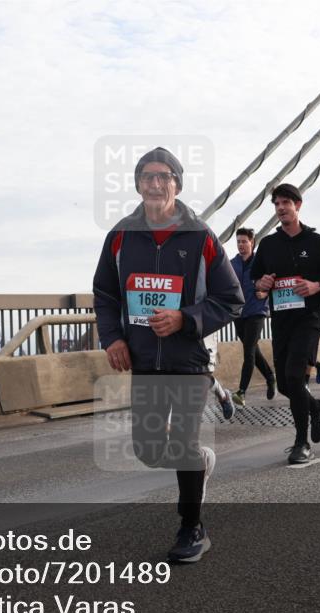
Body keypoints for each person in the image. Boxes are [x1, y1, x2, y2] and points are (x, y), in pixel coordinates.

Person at [93, 147, 244, 562]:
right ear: (138, 184)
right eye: (147, 176)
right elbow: (105, 294)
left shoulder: (201, 237)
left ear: (177, 183)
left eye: (164, 177)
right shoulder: (121, 236)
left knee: (181, 443)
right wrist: (113, 338)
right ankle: (200, 459)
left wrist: (185, 319)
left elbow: (231, 298)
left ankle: (192, 527)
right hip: (144, 359)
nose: (155, 184)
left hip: (190, 359)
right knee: (147, 448)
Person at [252, 183, 320, 464]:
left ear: (298, 206)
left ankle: (301, 443)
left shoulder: (316, 241)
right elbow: (256, 283)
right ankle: (317, 407)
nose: (281, 208)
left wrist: (317, 285)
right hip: (281, 320)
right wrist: (262, 283)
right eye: (277, 204)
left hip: (309, 319)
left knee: (295, 377)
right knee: (285, 384)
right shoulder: (269, 245)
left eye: (286, 202)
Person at [229, 227, 276, 407]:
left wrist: (266, 294)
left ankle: (241, 392)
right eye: (239, 242)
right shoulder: (232, 263)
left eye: (244, 241)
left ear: (252, 242)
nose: (241, 245)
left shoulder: (261, 261)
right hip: (239, 313)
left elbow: (274, 281)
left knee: (248, 351)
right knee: (253, 351)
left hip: (257, 312)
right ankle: (270, 377)